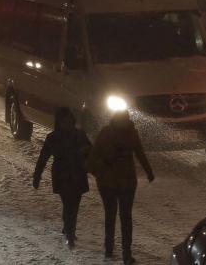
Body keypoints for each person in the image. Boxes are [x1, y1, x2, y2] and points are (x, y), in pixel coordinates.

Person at [87, 110, 154, 265]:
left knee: (120, 216)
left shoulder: (112, 133)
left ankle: (117, 251)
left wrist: (95, 170)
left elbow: (139, 153)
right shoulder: (122, 133)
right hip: (117, 182)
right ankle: (119, 252)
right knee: (120, 216)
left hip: (120, 182)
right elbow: (95, 155)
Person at [33, 108, 91, 249]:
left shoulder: (79, 135)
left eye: (69, 120)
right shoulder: (54, 137)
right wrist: (37, 175)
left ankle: (68, 229)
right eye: (64, 120)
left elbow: (91, 152)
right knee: (69, 204)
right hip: (63, 175)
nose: (67, 123)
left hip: (76, 174)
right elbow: (43, 158)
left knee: (73, 205)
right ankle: (70, 233)